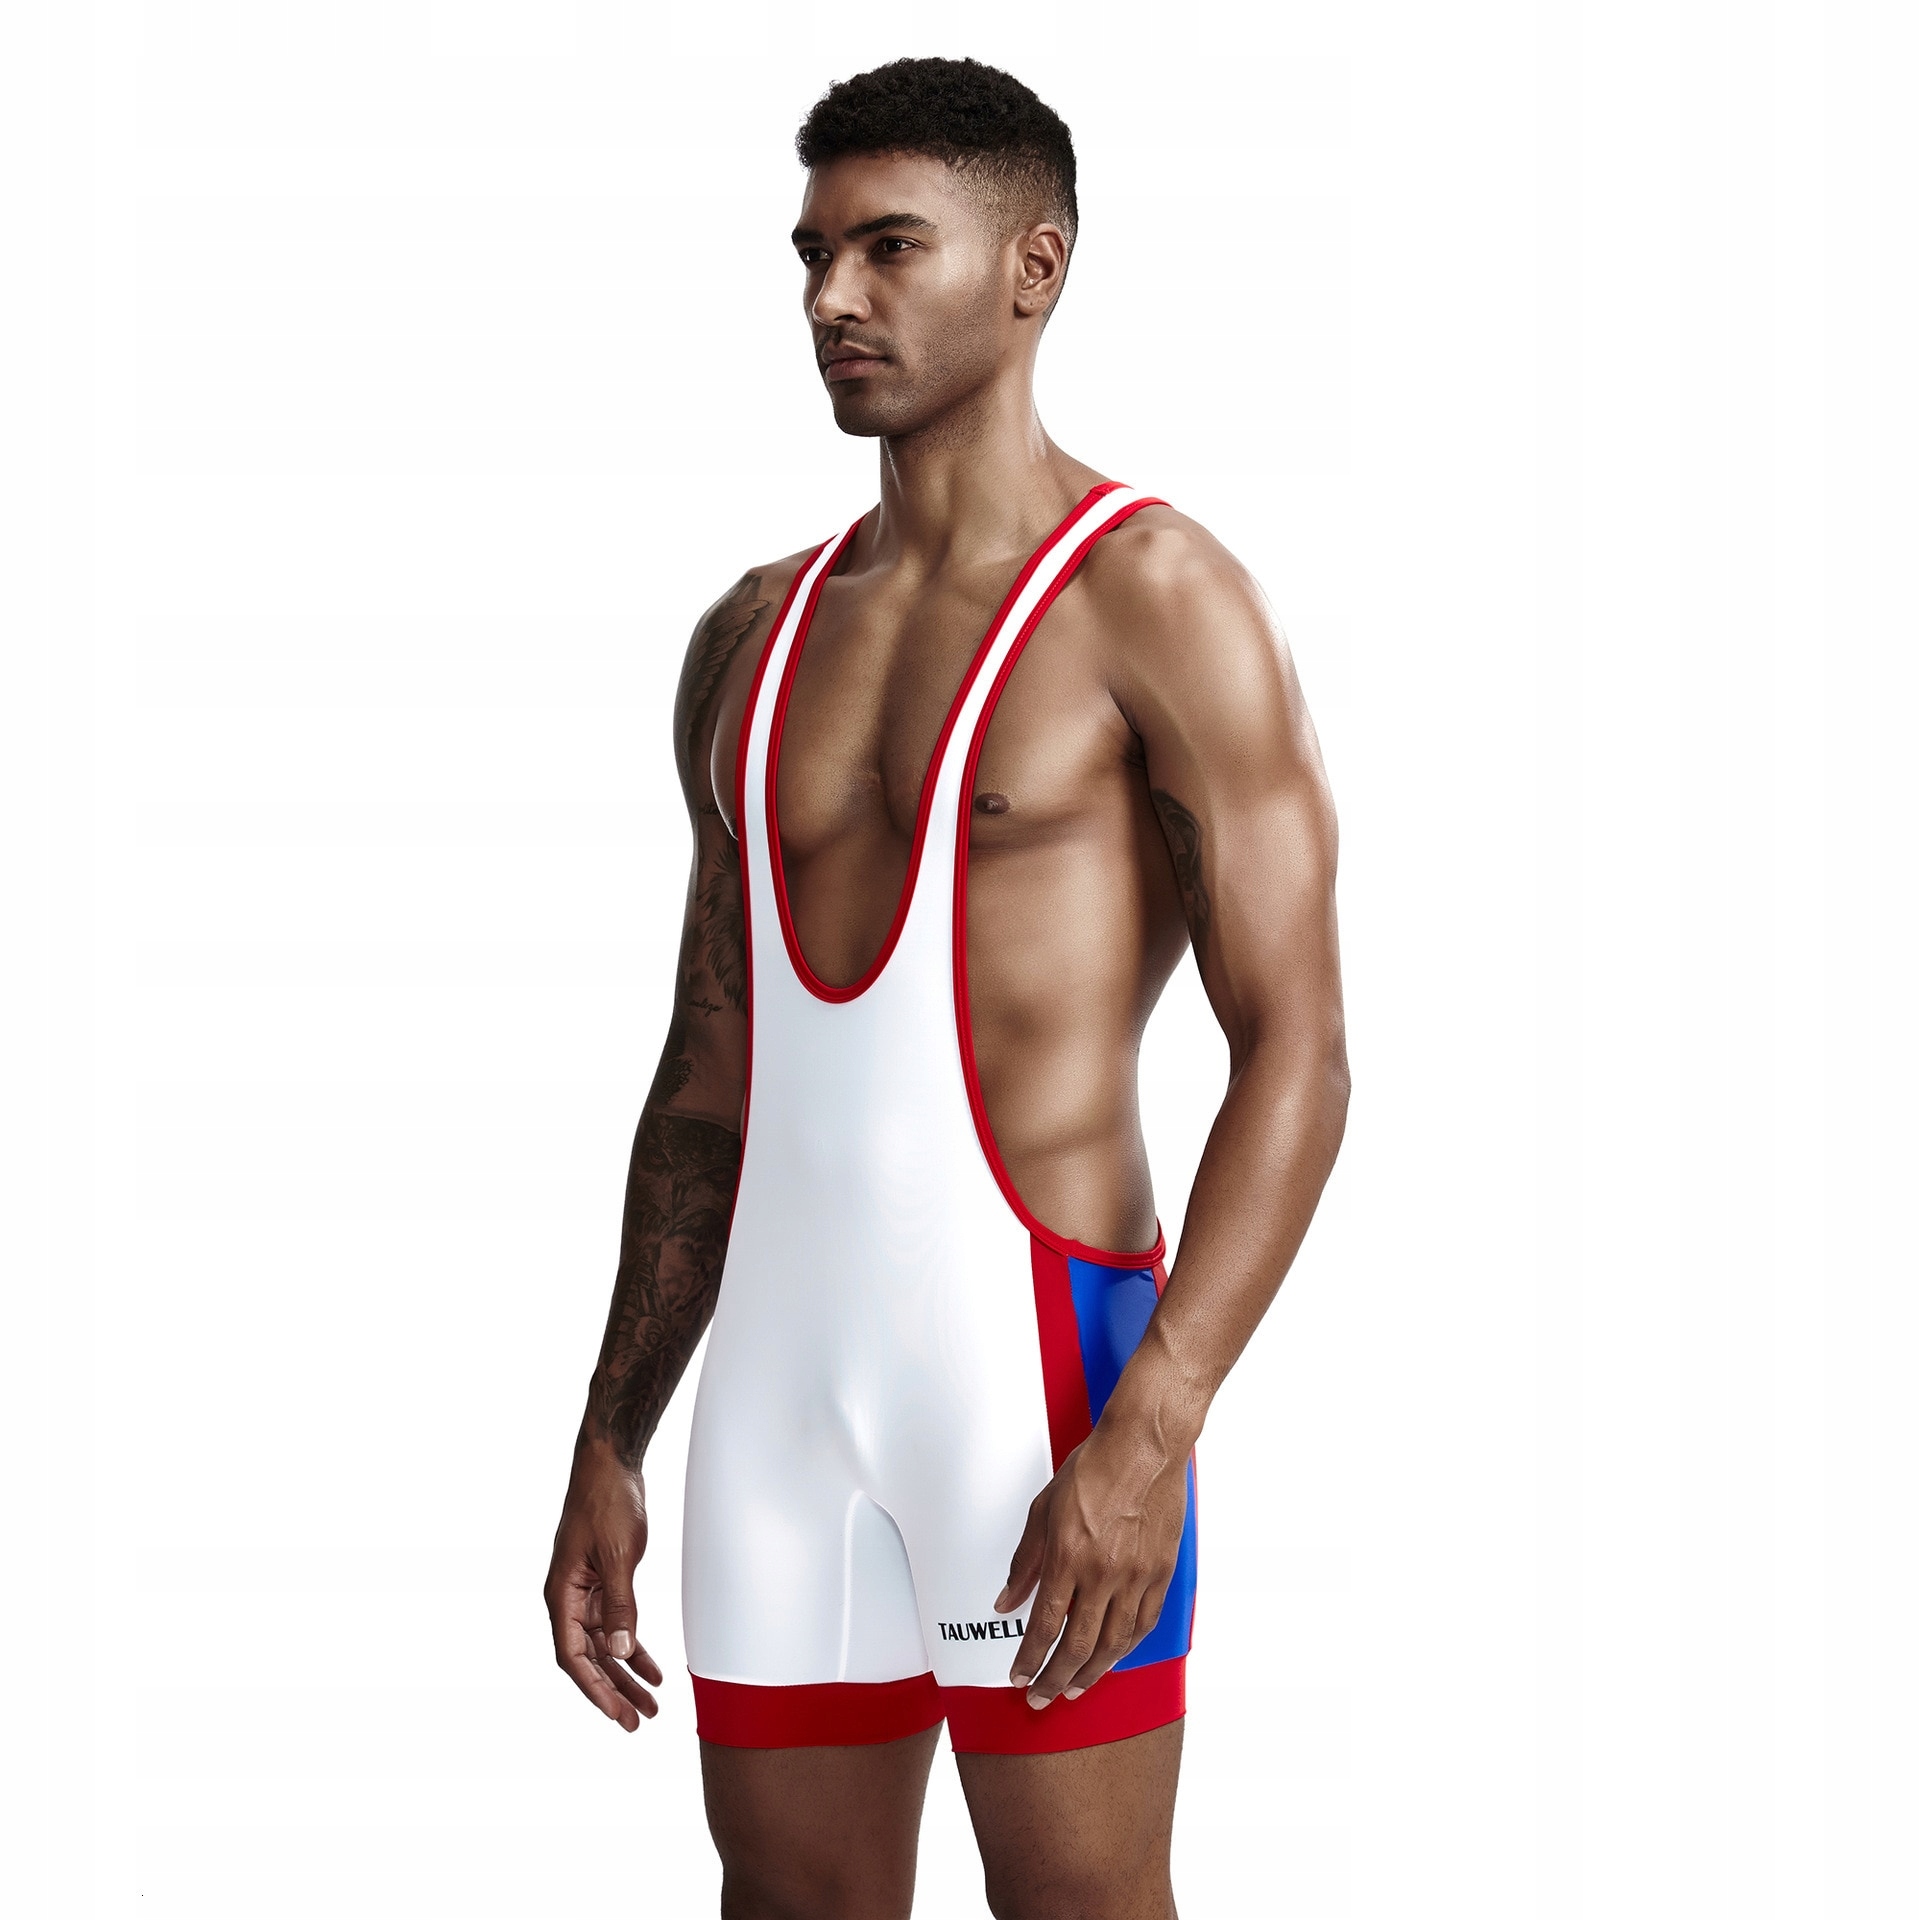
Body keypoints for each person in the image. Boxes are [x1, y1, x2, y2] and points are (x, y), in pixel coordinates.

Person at [543, 55, 1348, 1919]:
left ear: (1033, 266)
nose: (834, 298)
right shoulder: (752, 631)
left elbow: (1300, 1052)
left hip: (1038, 1396)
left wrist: (1152, 1433)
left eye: (890, 248)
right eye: (813, 256)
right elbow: (709, 1073)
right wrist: (610, 1432)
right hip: (775, 1408)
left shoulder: (1156, 596)